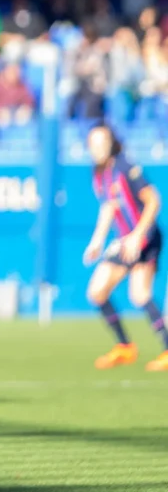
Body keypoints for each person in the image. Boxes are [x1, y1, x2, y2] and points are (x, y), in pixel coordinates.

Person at [83, 125, 168, 371]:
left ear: (112, 143)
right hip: (124, 240)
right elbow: (109, 207)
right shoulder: (99, 173)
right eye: (93, 143)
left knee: (139, 295)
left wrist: (137, 235)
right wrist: (97, 240)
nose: (98, 148)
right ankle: (125, 347)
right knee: (97, 292)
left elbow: (153, 201)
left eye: (102, 142)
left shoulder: (125, 167)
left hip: (145, 238)